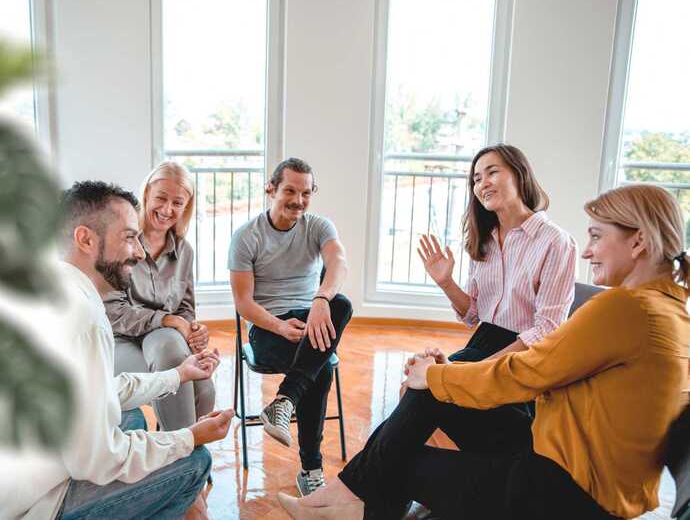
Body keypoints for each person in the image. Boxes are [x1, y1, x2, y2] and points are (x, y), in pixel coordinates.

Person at [278, 184, 690, 519]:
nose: (587, 250)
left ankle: (350, 502)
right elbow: (533, 364)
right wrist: (444, 376)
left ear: (638, 241)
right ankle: (346, 499)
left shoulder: (627, 309)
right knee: (426, 396)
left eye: (597, 236)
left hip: (566, 490)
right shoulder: (667, 311)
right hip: (567, 457)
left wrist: (438, 376)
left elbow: (529, 371)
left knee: (401, 459)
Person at [0, 181, 233, 519]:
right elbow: (99, 459)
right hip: (29, 504)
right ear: (86, 239)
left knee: (131, 417)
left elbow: (97, 391)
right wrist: (188, 437)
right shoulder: (85, 318)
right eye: (130, 237)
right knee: (195, 462)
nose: (140, 251)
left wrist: (177, 375)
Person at [229, 157, 353, 496]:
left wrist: (321, 300)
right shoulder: (246, 237)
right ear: (271, 189)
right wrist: (281, 328)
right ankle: (311, 470)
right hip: (268, 328)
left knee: (341, 304)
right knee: (322, 365)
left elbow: (338, 263)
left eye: (306, 192)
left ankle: (284, 401)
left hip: (312, 317)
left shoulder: (318, 226)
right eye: (290, 191)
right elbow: (244, 304)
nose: (298, 200)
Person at [418, 144, 577, 364]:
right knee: (414, 384)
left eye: (492, 172)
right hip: (482, 344)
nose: (483, 183)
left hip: (525, 358)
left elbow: (547, 329)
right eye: (477, 179)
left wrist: (478, 371)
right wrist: (446, 283)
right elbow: (473, 316)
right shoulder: (484, 240)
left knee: (425, 386)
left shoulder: (556, 242)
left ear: (519, 175)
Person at [104, 162, 214, 431]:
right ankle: (180, 452)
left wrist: (193, 330)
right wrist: (169, 321)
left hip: (167, 340)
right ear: (146, 196)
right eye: (161, 198)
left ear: (185, 207)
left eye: (177, 203)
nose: (167, 210)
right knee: (169, 350)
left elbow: (185, 309)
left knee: (205, 392)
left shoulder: (184, 251)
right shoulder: (121, 243)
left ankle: (178, 449)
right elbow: (113, 312)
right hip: (121, 341)